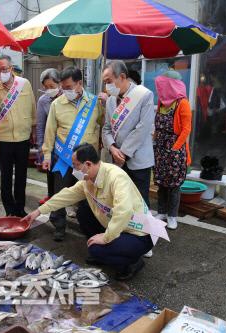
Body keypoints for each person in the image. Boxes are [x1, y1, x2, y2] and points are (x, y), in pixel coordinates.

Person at [22, 143, 166, 280]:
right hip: (118, 227)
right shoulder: (88, 179)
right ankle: (110, 250)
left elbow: (124, 211)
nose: (74, 170)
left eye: (76, 166)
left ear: (88, 164)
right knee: (83, 213)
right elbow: (66, 195)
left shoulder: (116, 177)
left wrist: (106, 238)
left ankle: (133, 263)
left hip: (139, 233)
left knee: (96, 250)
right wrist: (38, 212)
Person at [42, 67, 104, 241]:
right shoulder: (57, 104)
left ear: (80, 84)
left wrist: (109, 104)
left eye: (69, 87)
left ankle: (88, 227)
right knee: (59, 193)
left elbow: (103, 123)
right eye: (63, 87)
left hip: (87, 162)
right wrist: (47, 155)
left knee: (88, 195)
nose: (65, 91)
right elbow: (50, 132)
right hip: (63, 158)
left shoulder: (94, 102)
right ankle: (59, 225)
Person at [0, 54, 36, 217]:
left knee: (21, 176)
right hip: (4, 140)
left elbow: (32, 107)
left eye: (4, 69)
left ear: (11, 68)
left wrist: (33, 130)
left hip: (23, 138)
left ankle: (20, 208)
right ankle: (9, 210)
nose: (1, 73)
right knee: (6, 177)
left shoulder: (24, 84)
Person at [102, 60, 155, 207]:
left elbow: (143, 128)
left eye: (109, 81)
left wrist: (123, 153)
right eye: (105, 83)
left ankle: (142, 230)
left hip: (138, 160)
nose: (107, 86)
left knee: (140, 201)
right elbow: (106, 128)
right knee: (120, 200)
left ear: (122, 77)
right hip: (117, 159)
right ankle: (124, 229)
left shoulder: (144, 95)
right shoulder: (111, 101)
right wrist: (112, 148)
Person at [154, 70, 192, 230]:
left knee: (174, 185)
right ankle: (161, 211)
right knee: (162, 183)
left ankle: (172, 216)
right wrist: (154, 141)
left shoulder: (182, 103)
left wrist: (175, 149)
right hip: (160, 149)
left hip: (175, 150)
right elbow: (157, 125)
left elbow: (186, 129)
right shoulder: (162, 102)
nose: (160, 90)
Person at [36, 68, 62, 205]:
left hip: (66, 143)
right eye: (46, 87)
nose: (49, 89)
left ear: (60, 84)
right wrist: (41, 147)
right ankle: (51, 195)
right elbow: (40, 126)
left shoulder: (67, 97)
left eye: (52, 86)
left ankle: (66, 200)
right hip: (50, 143)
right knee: (50, 171)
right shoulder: (43, 101)